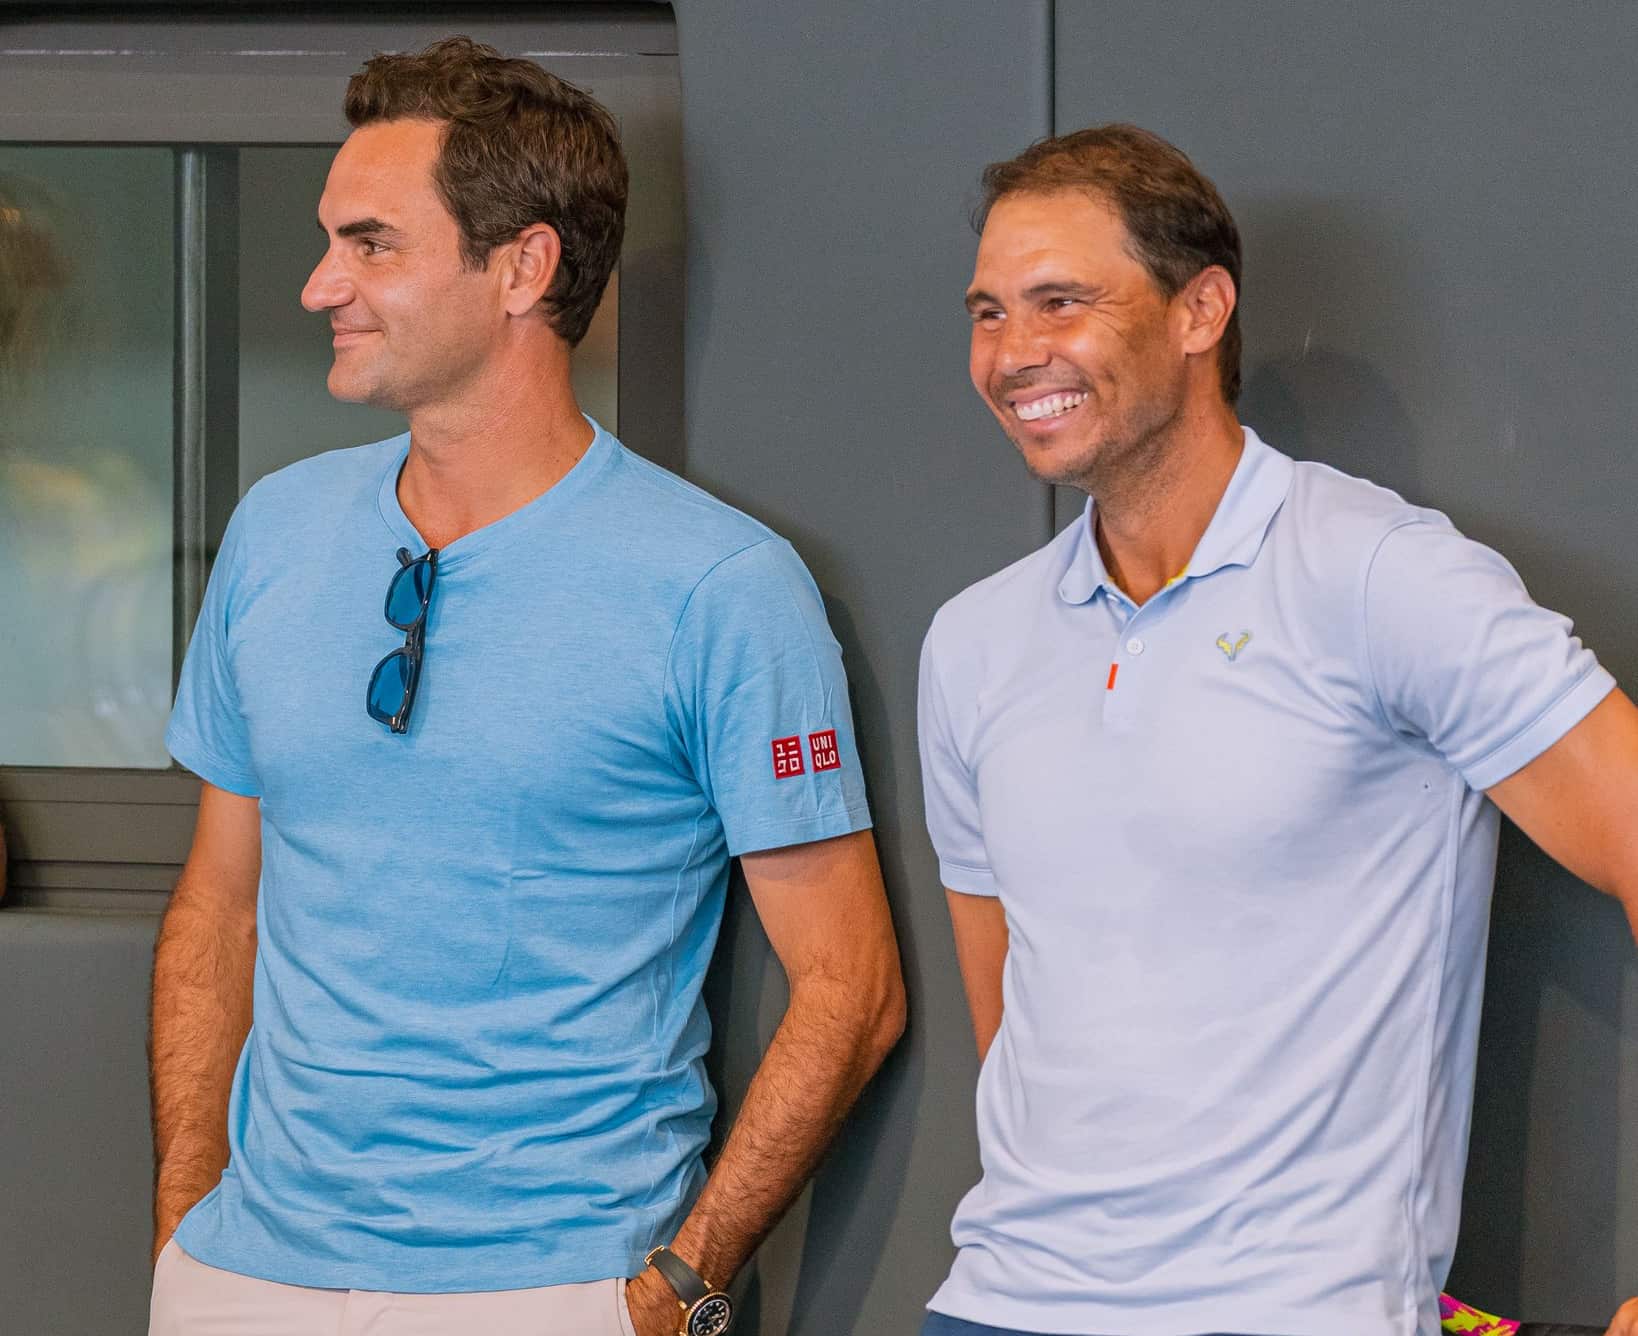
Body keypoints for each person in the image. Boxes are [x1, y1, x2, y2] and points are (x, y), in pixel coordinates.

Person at [149, 37, 904, 1336]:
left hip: (551, 1287)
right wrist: (183, 1220)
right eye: (331, 240)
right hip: (243, 1277)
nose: (321, 282)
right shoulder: (274, 531)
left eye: (372, 244)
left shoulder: (720, 587)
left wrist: (676, 1290)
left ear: (523, 266)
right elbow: (220, 905)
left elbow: (852, 988)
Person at [916, 124, 1638, 1336]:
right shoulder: (971, 643)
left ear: (1200, 310)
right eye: (989, 312)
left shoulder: (1381, 576)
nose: (1013, 352)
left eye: (1060, 301)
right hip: (998, 1306)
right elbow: (1016, 1031)